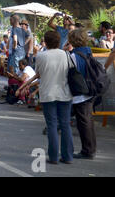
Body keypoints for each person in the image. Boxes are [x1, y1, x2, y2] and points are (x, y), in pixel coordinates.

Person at [17, 31, 74, 164]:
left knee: (52, 125)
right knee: (65, 125)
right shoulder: (66, 55)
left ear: (46, 42)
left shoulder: (41, 56)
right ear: (59, 41)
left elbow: (39, 73)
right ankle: (68, 156)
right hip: (65, 93)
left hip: (48, 93)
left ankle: (53, 157)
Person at [67, 29, 97, 159]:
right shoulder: (88, 52)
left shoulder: (74, 56)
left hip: (80, 92)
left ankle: (87, 150)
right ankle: (90, 148)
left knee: (83, 123)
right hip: (90, 90)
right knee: (88, 121)